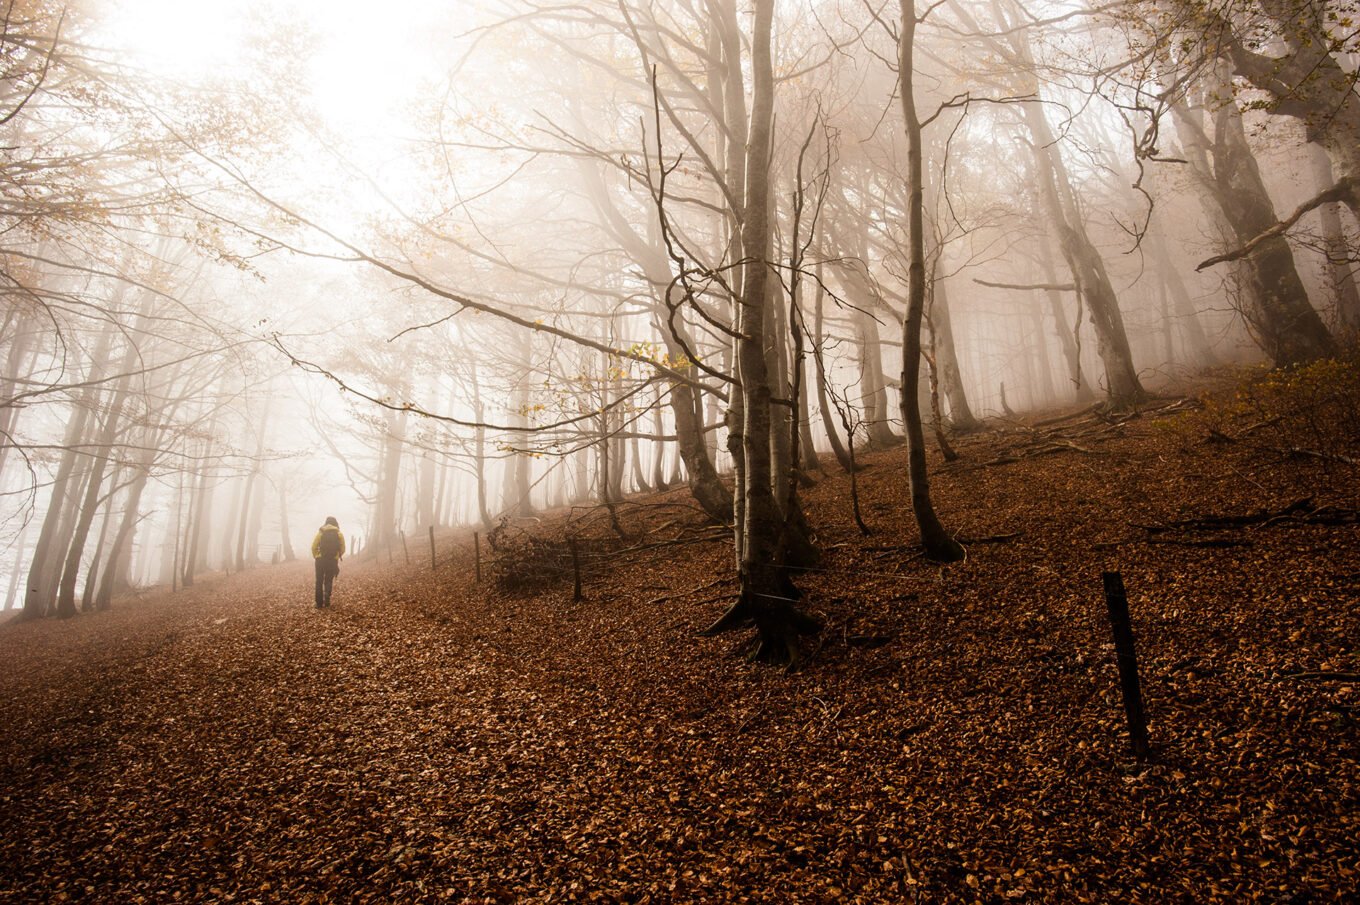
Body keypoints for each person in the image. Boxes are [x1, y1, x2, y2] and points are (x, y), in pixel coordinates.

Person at [310, 516, 345, 608]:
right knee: (329, 579)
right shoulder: (338, 534)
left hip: (320, 560)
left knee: (319, 581)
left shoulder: (321, 532)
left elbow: (313, 546)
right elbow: (343, 548)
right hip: (332, 560)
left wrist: (316, 556)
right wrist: (336, 556)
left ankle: (319, 603)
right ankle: (327, 595)